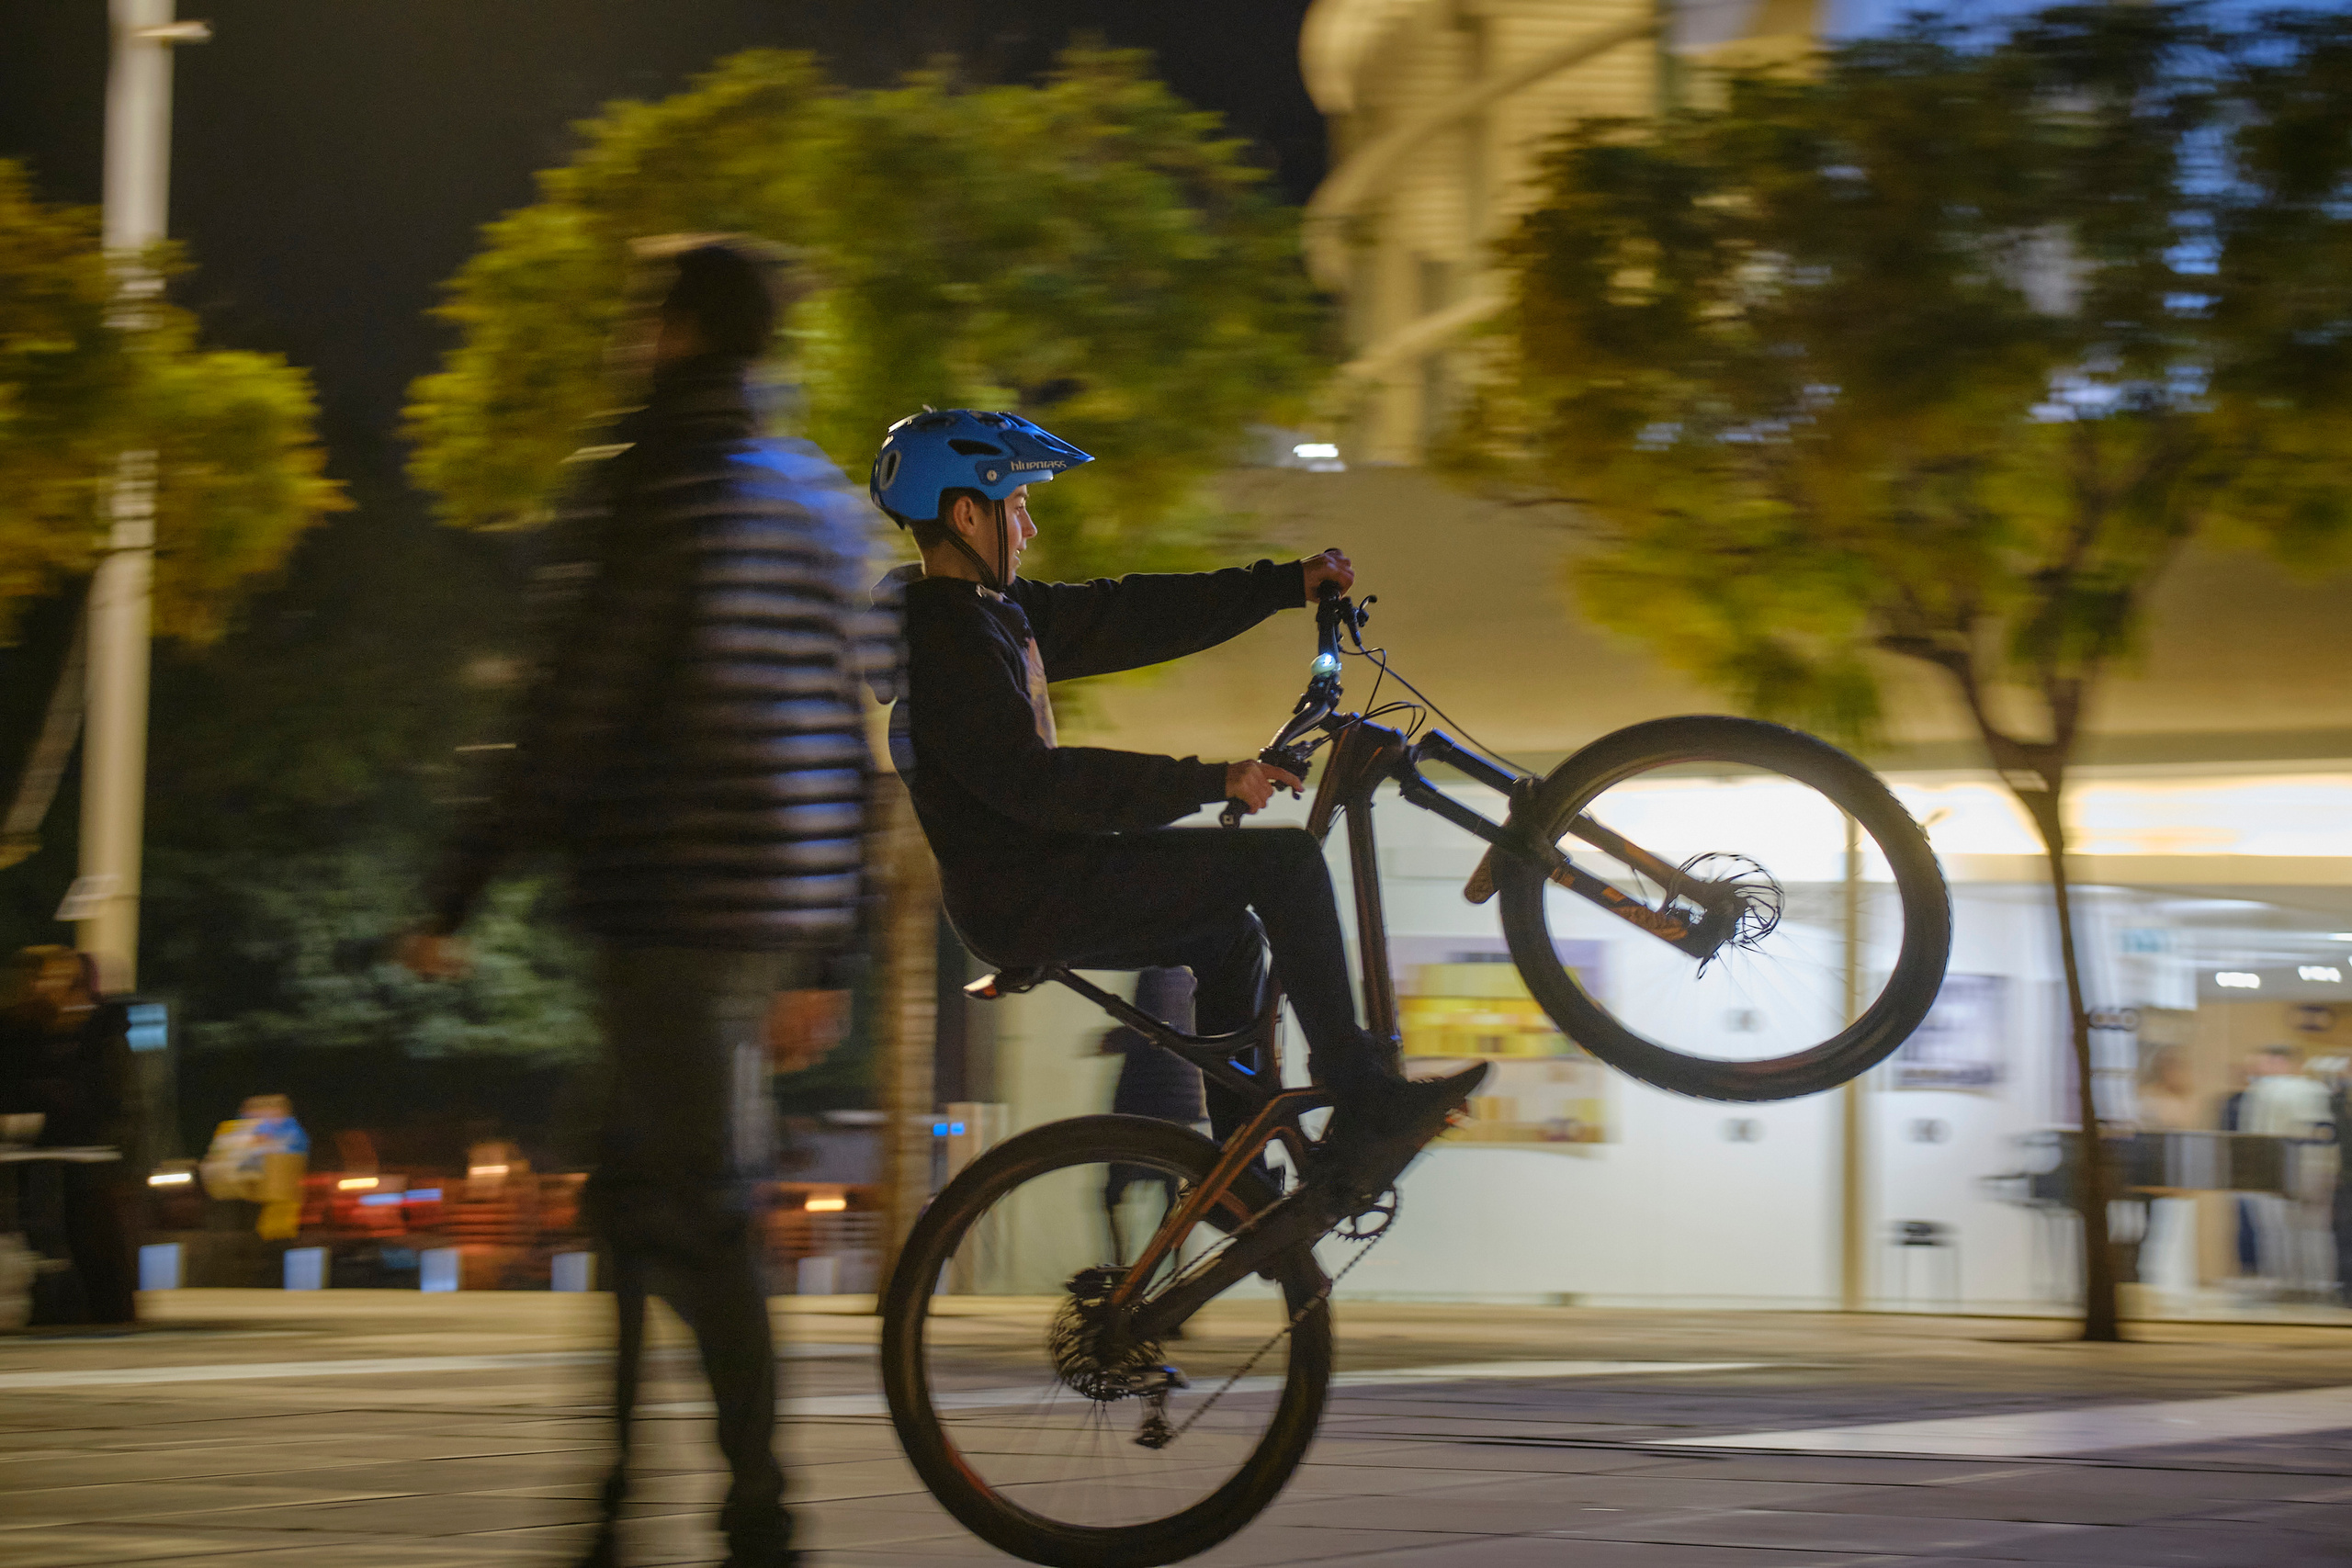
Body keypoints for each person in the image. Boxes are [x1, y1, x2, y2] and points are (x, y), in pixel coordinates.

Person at [403, 238, 880, 1568]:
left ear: (675, 332)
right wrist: (830, 949)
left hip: (669, 892)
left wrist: (459, 883)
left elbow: (577, 694)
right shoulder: (819, 496)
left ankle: (760, 1515)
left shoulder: (654, 478)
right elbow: (848, 734)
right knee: (630, 1192)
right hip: (774, 901)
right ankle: (611, 1497)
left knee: (701, 1210)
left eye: (642, 317)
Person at [866, 409, 1485, 1204]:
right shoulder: (950, 642)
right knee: (1286, 862)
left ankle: (1237, 1178)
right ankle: (1363, 1095)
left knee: (1231, 940)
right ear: (965, 514)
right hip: (1027, 891)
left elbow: (1132, 614)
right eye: (1017, 506)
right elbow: (1043, 784)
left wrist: (1280, 585)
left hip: (1038, 875)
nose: (1030, 526)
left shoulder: (989, 611)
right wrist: (1209, 779)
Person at [0, 946, 140, 1324]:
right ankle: (53, 1304)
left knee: (89, 1230)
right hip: (36, 1148)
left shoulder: (101, 1029)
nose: (51, 985)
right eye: (45, 977)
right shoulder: (22, 1029)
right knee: (42, 1231)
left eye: (62, 976)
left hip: (88, 1149)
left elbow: (113, 1092)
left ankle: (105, 1309)